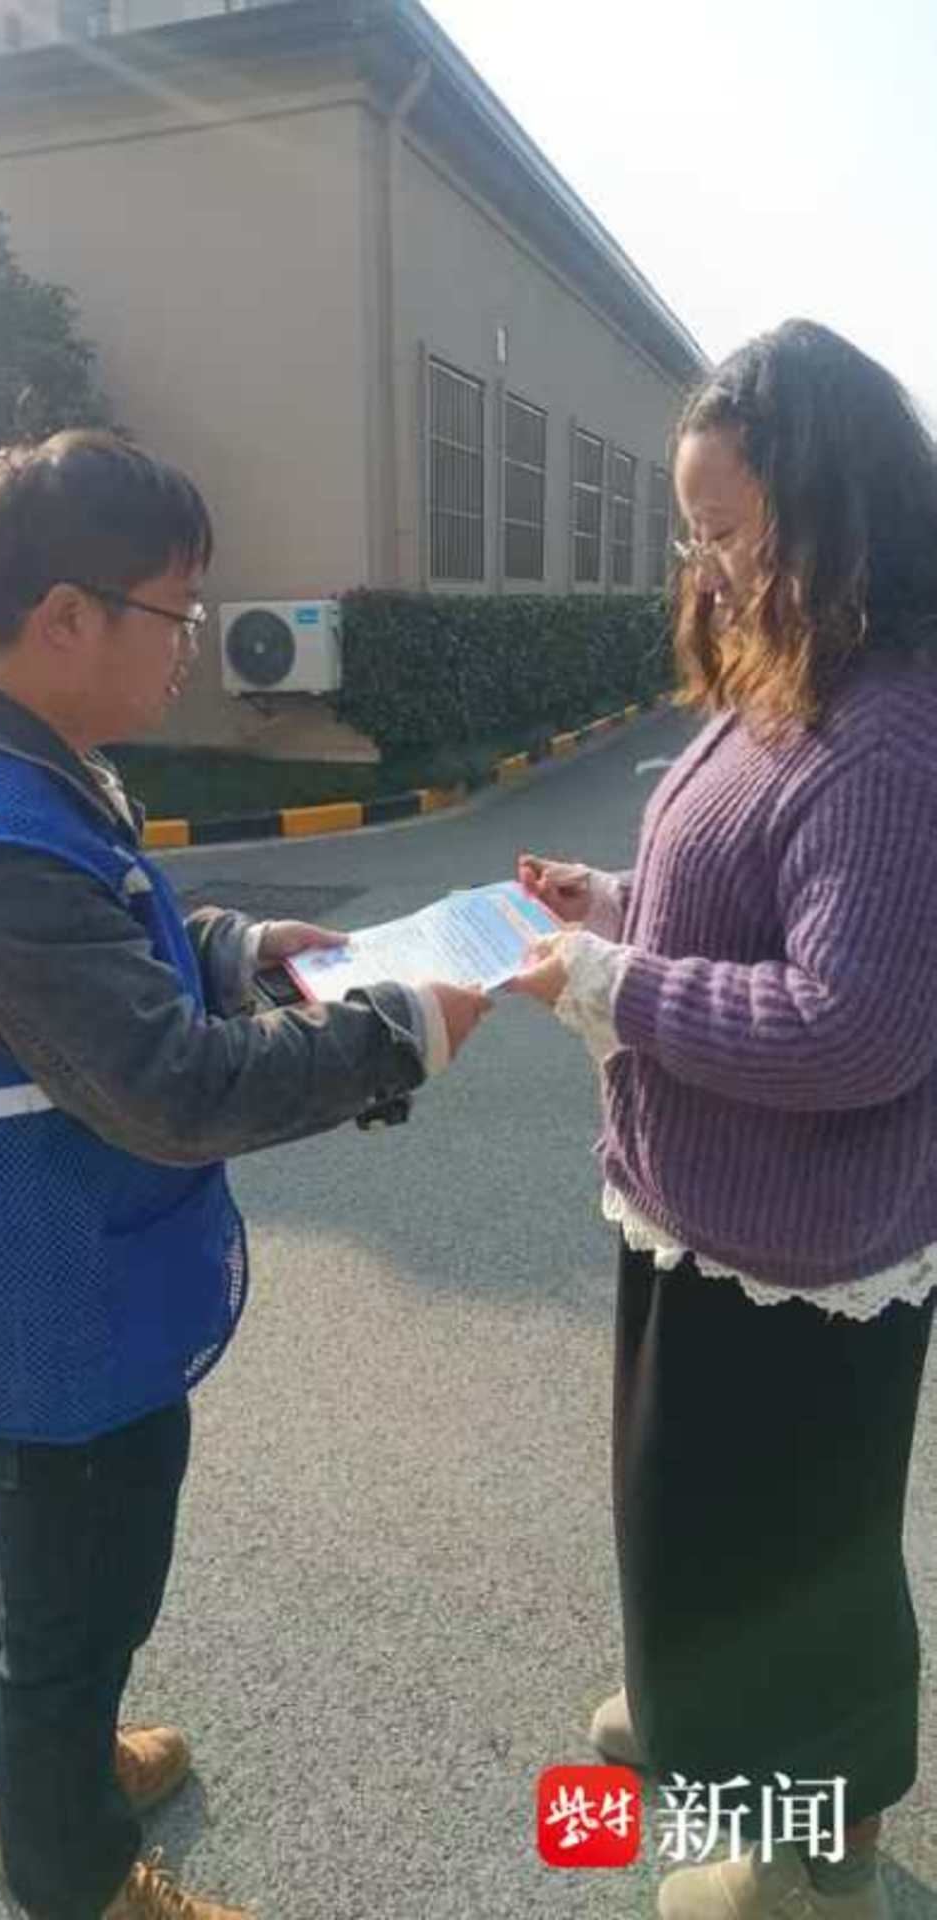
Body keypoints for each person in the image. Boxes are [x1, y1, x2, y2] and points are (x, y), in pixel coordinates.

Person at [0, 429, 491, 1920]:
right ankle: (73, 1875)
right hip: (54, 1307)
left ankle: (51, 1769)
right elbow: (173, 1088)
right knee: (72, 1605)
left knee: (30, 1567)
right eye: (176, 613)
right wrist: (398, 1033)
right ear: (66, 617)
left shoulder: (10, 766)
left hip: (29, 1286)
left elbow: (116, 942)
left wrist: (241, 945)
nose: (192, 646)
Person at [512, 319, 937, 1920]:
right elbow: (742, 905)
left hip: (804, 1255)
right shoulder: (791, 679)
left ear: (841, 517)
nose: (716, 572)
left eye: (737, 536)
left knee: (799, 1571)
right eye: (696, 539)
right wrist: (614, 904)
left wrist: (615, 986)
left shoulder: (890, 732)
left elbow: (857, 1024)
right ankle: (696, 1712)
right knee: (689, 1518)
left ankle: (816, 1856)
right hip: (702, 1208)